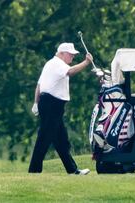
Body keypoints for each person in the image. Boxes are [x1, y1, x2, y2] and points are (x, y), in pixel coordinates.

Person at [29, 42, 92, 175]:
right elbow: (71, 72)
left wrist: (36, 102)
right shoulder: (58, 63)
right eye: (71, 54)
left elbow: (39, 85)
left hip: (50, 104)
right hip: (51, 104)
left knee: (61, 140)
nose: (72, 57)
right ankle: (34, 171)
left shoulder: (50, 63)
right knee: (44, 137)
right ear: (62, 53)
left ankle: (72, 170)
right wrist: (86, 62)